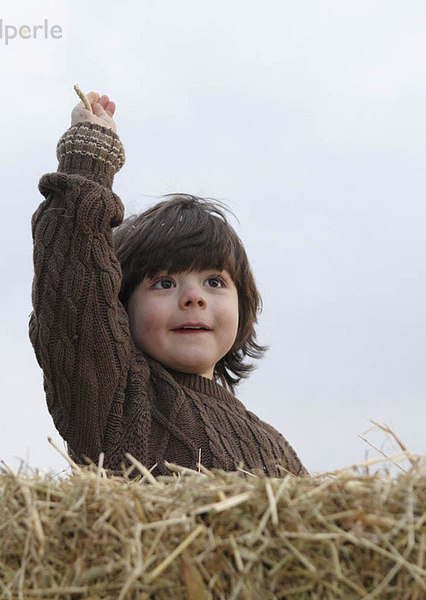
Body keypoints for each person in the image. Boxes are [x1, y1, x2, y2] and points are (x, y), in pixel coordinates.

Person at [29, 90, 308, 477]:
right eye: (163, 284)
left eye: (214, 281)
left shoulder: (274, 447)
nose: (193, 298)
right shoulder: (114, 399)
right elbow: (75, 299)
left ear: (244, 305)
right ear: (120, 307)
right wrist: (88, 162)